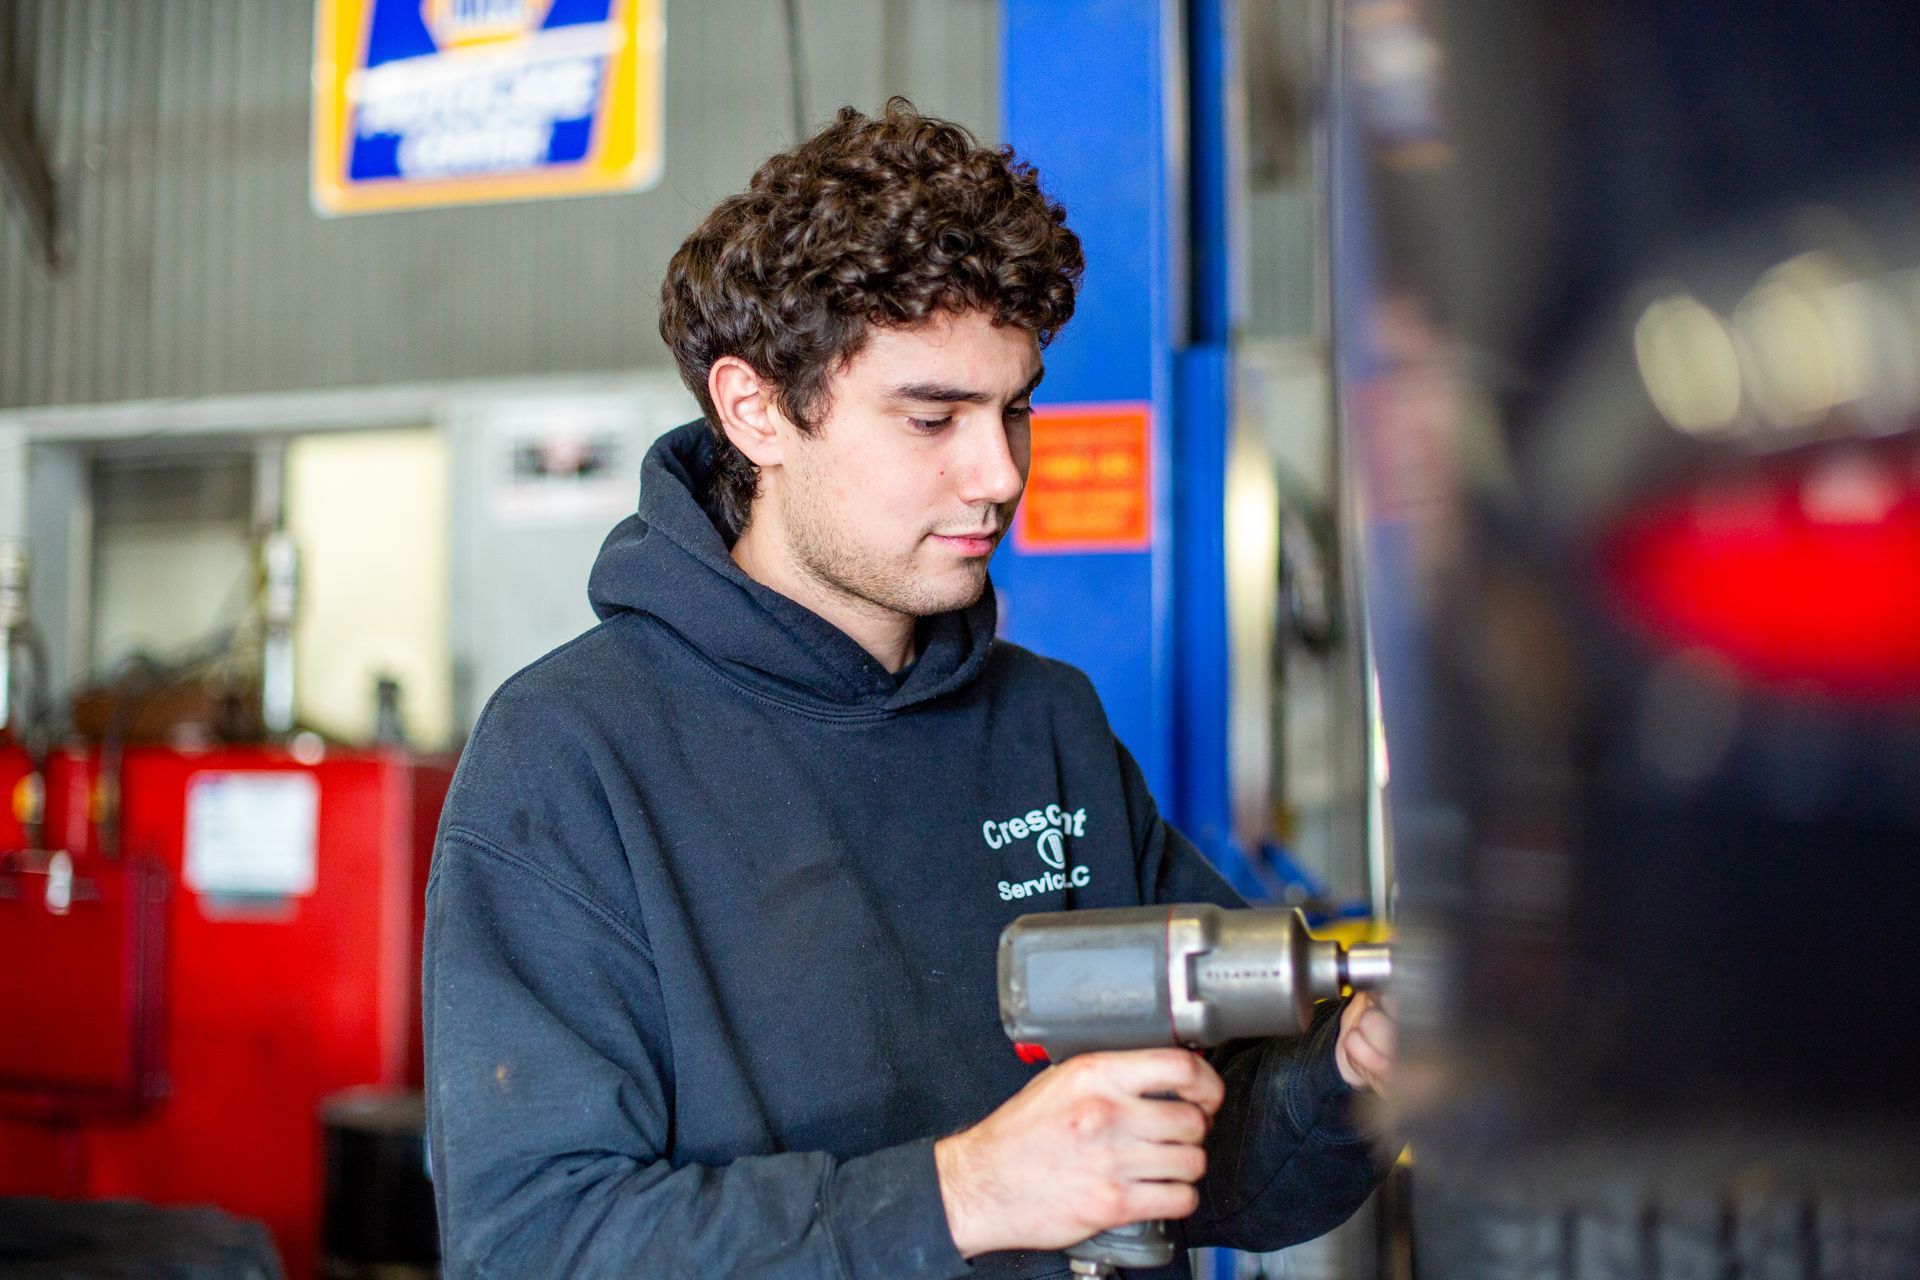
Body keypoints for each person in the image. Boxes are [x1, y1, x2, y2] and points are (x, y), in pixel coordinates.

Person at [423, 99, 1395, 1279]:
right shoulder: (570, 756)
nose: (997, 474)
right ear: (758, 410)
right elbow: (536, 1243)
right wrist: (966, 1189)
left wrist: (1348, 1071)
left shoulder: (1047, 722)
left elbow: (1208, 1144)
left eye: (1016, 408)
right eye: (933, 415)